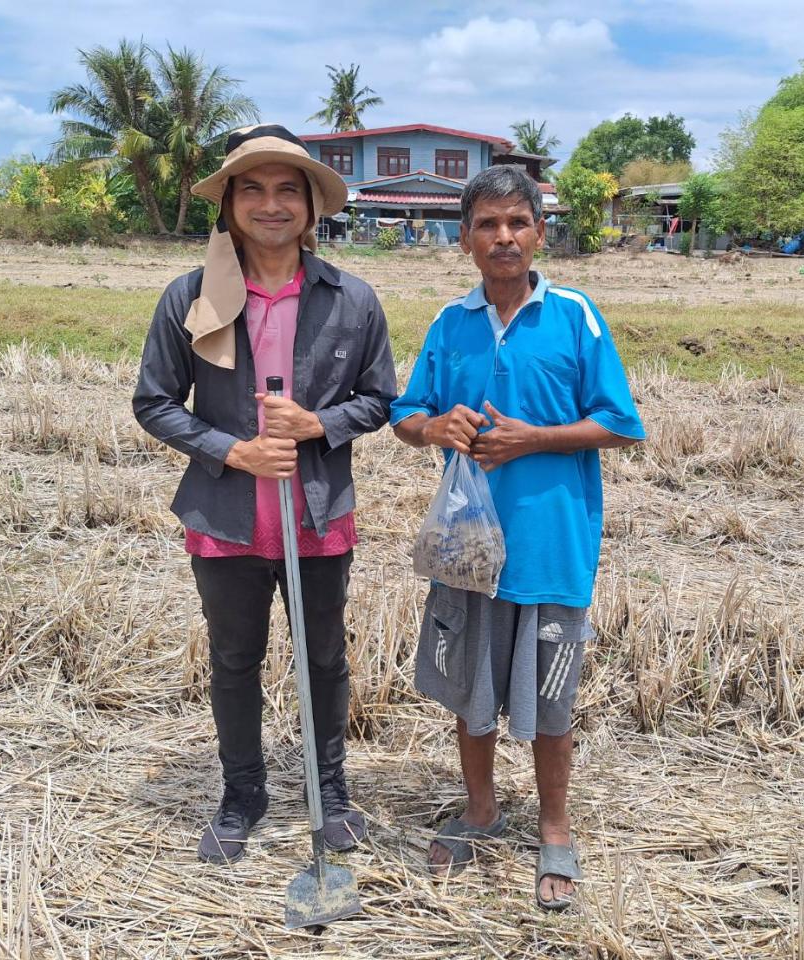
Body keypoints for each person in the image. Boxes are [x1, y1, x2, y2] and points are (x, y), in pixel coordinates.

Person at [133, 124, 396, 864]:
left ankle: (329, 790)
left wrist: (319, 423)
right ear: (230, 204)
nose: (271, 204)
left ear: (313, 207)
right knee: (235, 659)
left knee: (324, 660)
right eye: (253, 188)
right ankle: (242, 794)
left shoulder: (353, 299)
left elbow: (381, 400)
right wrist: (232, 449)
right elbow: (154, 401)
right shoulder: (192, 297)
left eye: (289, 189)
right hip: (225, 520)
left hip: (317, 517)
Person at [390, 165, 645, 909]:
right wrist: (434, 427)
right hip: (467, 552)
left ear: (539, 232)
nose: (503, 237)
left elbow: (620, 423)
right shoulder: (451, 324)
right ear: (465, 238)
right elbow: (407, 414)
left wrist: (535, 439)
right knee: (470, 696)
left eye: (517, 223)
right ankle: (480, 810)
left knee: (551, 704)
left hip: (550, 549)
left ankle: (556, 830)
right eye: (487, 225)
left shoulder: (574, 316)